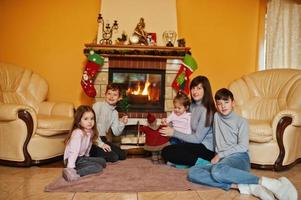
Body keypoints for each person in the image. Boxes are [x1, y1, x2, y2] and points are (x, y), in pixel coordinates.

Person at [188, 88, 298, 200]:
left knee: (217, 171)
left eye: (226, 102)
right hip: (223, 162)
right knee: (193, 172)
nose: (223, 106)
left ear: (233, 103)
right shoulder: (216, 116)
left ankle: (269, 183)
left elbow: (243, 146)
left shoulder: (242, 122)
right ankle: (246, 186)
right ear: (216, 106)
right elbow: (202, 108)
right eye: (219, 104)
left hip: (239, 157)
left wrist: (220, 155)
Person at [160, 76, 216, 166]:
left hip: (206, 148)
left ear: (206, 90)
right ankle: (186, 162)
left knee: (167, 152)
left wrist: (174, 133)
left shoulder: (207, 111)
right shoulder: (191, 106)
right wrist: (169, 123)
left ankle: (203, 163)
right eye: (193, 88)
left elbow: (197, 139)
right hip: (192, 143)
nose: (195, 91)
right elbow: (181, 119)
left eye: (199, 88)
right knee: (166, 150)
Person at [63, 105, 106, 182]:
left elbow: (88, 146)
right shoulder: (78, 133)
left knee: (102, 161)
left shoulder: (90, 131)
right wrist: (70, 167)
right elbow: (74, 151)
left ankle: (83, 166)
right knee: (97, 167)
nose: (90, 122)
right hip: (72, 160)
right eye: (86, 119)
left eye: (92, 119)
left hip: (82, 158)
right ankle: (73, 173)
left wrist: (87, 158)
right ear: (79, 121)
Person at [90, 83, 128, 162]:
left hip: (103, 139)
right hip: (93, 139)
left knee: (122, 155)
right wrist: (100, 144)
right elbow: (91, 127)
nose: (111, 97)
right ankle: (90, 155)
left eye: (115, 95)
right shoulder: (98, 106)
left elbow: (116, 132)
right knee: (113, 157)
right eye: (109, 93)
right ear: (105, 94)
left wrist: (122, 123)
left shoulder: (115, 113)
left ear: (119, 98)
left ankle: (101, 153)